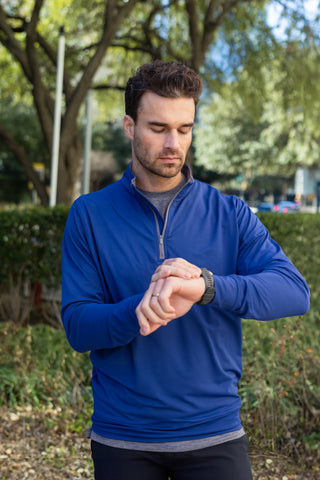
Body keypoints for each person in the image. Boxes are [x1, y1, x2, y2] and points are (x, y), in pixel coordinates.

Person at [61, 60, 310, 480]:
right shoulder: (89, 214)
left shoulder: (229, 212)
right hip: (123, 439)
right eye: (158, 128)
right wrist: (136, 312)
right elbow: (77, 325)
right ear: (129, 126)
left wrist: (207, 287)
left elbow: (293, 292)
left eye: (184, 128)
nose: (173, 142)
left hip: (215, 434)